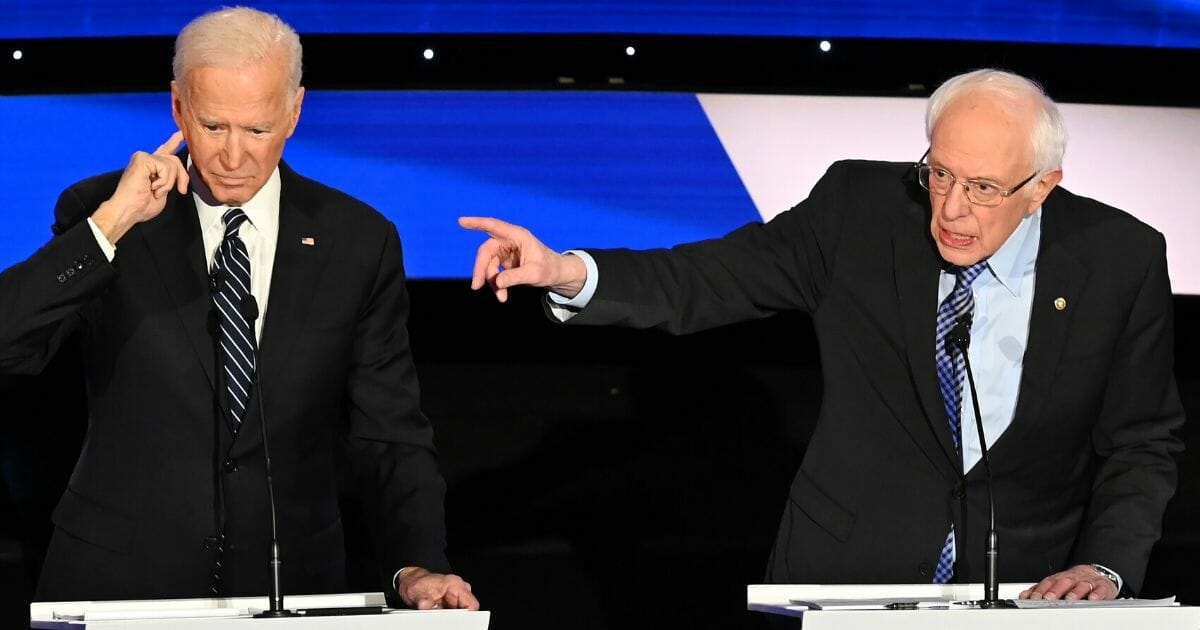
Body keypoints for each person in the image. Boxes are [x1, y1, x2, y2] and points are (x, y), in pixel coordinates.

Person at [460, 68, 1184, 601]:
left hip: (1024, 589)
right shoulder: (859, 211)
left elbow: (1141, 442)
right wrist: (564, 271)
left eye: (985, 188)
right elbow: (710, 278)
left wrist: (1106, 565)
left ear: (1042, 187)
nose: (953, 209)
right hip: (845, 577)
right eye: (938, 174)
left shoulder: (1119, 259)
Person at [0, 6, 477, 610]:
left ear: (295, 111)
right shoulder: (104, 213)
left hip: (292, 586)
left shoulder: (358, 240)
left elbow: (390, 432)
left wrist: (419, 563)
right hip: (118, 584)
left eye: (257, 130)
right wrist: (110, 226)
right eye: (213, 126)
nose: (233, 155)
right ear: (177, 107)